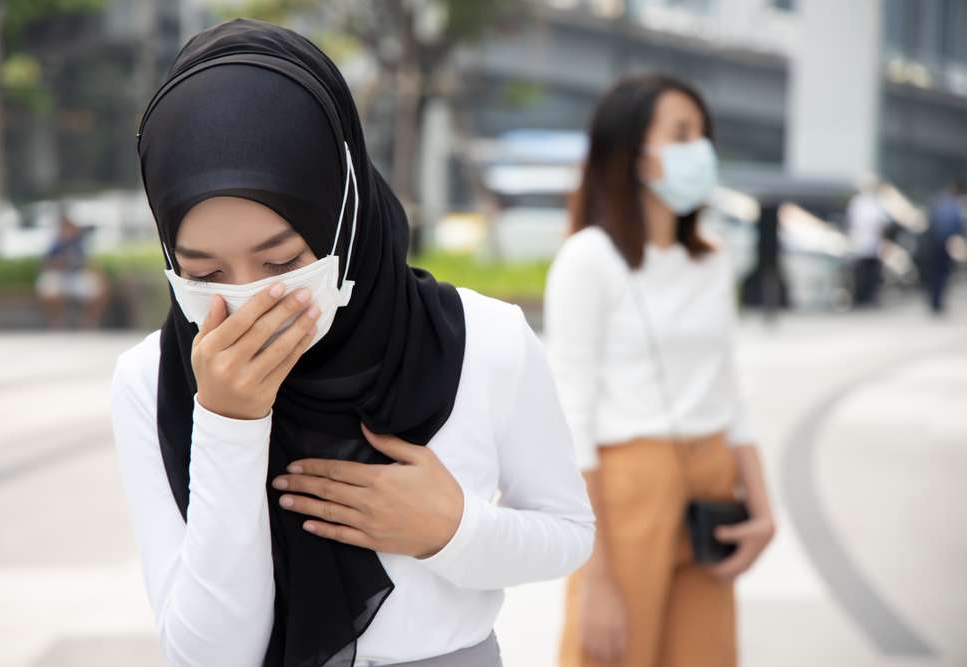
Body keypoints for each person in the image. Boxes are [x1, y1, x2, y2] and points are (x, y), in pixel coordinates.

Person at [109, 19, 593, 667]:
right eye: (204, 273)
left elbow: (568, 533)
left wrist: (452, 529)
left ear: (345, 212)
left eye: (281, 262)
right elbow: (209, 654)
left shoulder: (485, 340)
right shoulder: (152, 378)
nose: (251, 300)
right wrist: (229, 423)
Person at [545, 75, 776, 667]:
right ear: (632, 152)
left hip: (713, 483)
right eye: (681, 133)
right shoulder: (588, 260)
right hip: (627, 492)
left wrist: (763, 505)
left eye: (702, 134)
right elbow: (572, 415)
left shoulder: (712, 258)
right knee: (611, 652)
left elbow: (729, 389)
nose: (699, 149)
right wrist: (594, 577)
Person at [35, 214, 108, 328]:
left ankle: (89, 321)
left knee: (98, 289)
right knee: (48, 288)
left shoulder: (79, 243)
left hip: (78, 275)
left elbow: (89, 262)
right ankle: (56, 321)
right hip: (58, 276)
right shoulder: (55, 243)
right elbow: (45, 264)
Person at [845, 174, 892, 307]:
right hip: (867, 245)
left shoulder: (859, 203)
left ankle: (863, 298)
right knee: (867, 275)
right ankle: (865, 298)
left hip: (865, 245)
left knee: (864, 275)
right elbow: (883, 226)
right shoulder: (873, 203)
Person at [924, 178, 964, 314]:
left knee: (936, 274)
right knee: (942, 274)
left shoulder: (938, 203)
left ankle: (935, 302)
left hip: (935, 243)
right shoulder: (952, 206)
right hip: (944, 244)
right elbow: (956, 227)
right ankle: (937, 302)